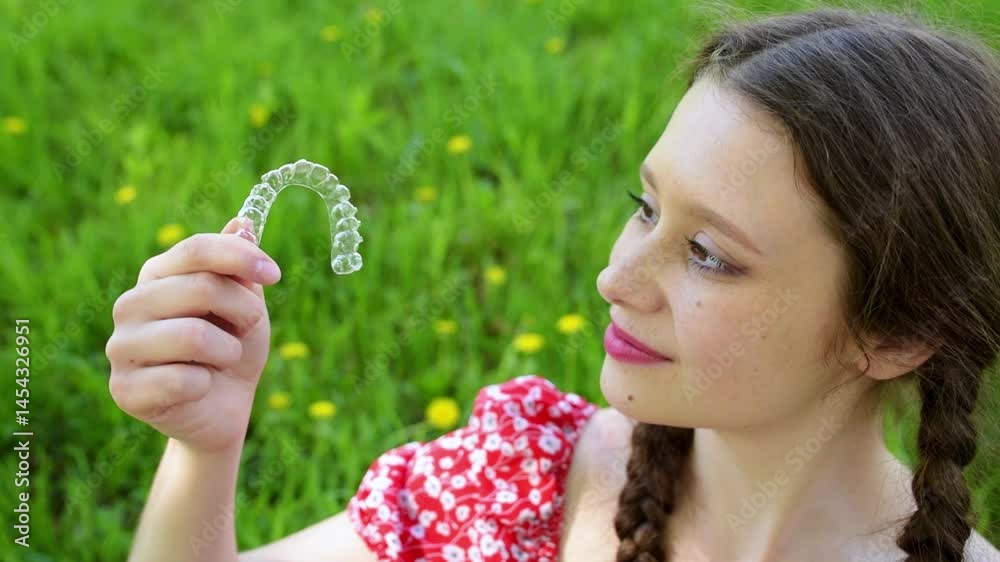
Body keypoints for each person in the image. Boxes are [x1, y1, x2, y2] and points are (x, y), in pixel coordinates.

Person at [106, 6, 1000, 562]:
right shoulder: (520, 484)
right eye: (645, 207)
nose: (616, 277)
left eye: (708, 254)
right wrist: (206, 448)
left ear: (895, 335)